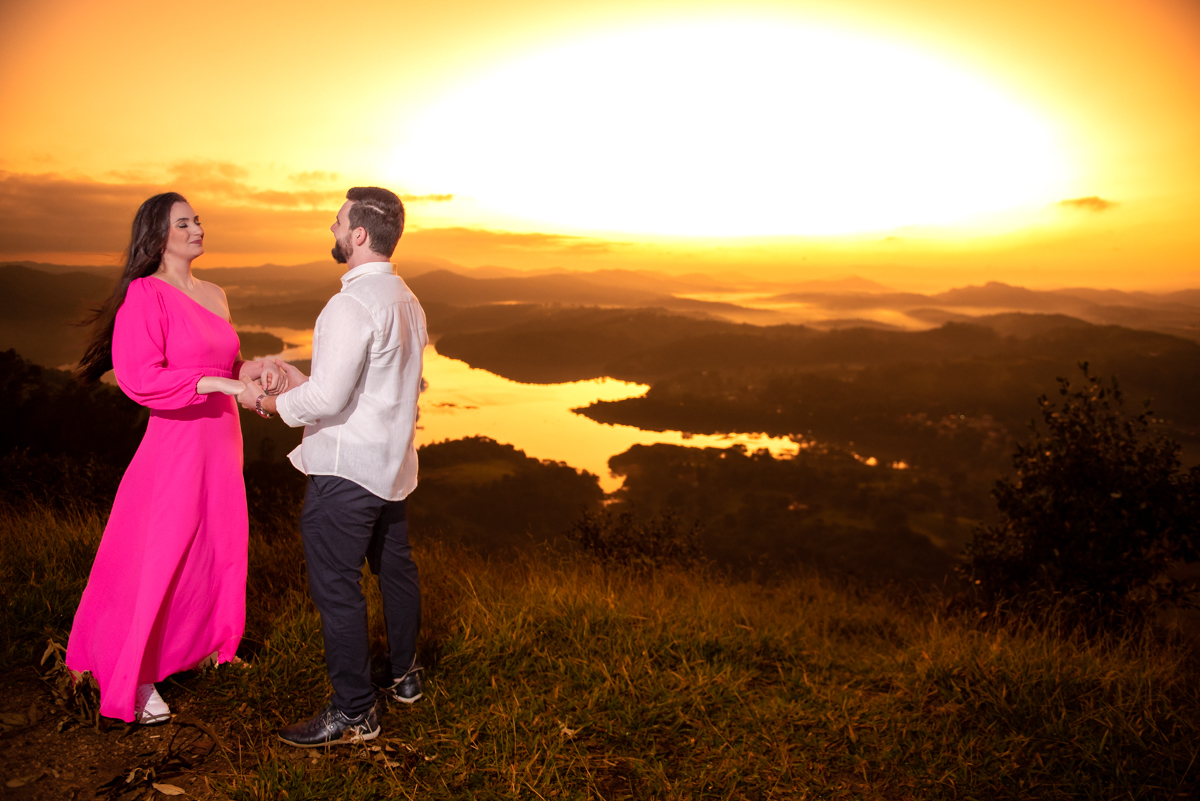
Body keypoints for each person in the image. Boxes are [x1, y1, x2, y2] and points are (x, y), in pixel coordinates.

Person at [67, 192, 284, 724]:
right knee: (160, 553)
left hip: (221, 439)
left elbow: (224, 361)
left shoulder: (215, 292)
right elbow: (142, 379)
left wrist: (254, 370)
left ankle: (207, 646)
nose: (196, 228)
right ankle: (133, 678)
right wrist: (224, 384)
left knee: (216, 545)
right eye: (182, 223)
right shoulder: (146, 294)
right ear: (157, 237)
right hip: (177, 445)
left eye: (197, 219)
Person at [238, 186, 427, 747]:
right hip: (391, 467)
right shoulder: (406, 300)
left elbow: (326, 402)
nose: (332, 228)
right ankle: (405, 676)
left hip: (347, 473)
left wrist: (270, 402)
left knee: (337, 589)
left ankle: (354, 711)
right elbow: (368, 387)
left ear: (360, 235)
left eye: (339, 221)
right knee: (396, 572)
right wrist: (299, 380)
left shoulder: (350, 304)